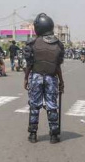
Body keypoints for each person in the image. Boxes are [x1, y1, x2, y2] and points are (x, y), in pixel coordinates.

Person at [24, 13, 64, 144]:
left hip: (36, 77)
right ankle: (54, 135)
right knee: (52, 106)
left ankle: (33, 134)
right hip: (52, 78)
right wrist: (61, 81)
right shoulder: (58, 44)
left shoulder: (32, 43)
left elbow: (29, 64)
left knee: (34, 106)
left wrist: (26, 79)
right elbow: (57, 66)